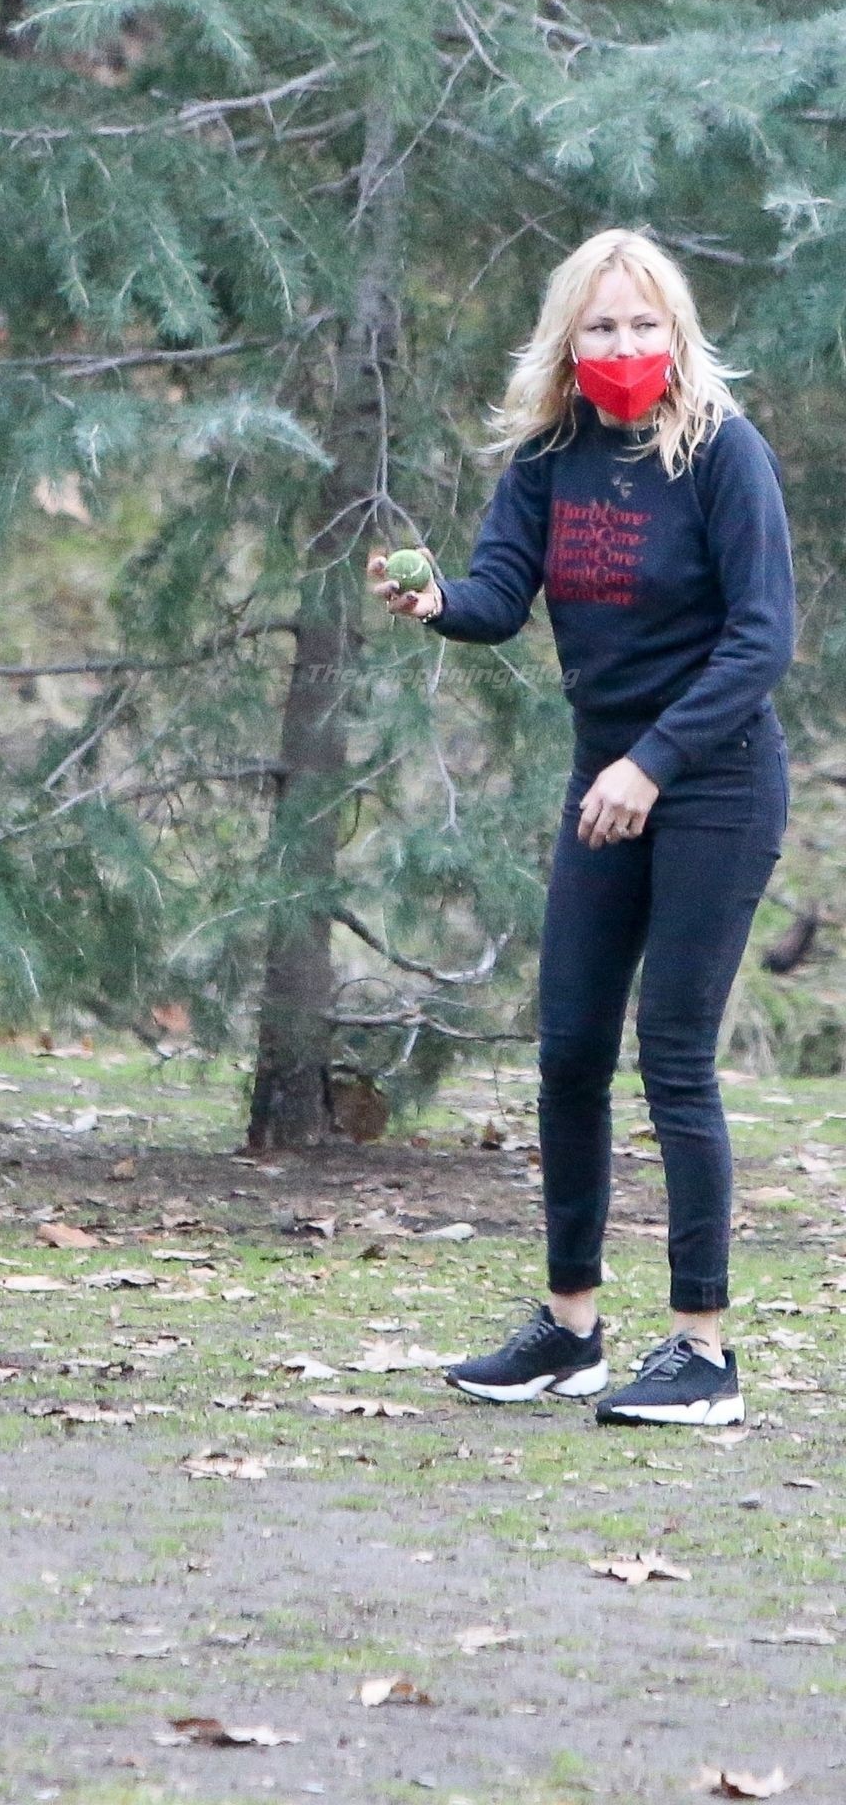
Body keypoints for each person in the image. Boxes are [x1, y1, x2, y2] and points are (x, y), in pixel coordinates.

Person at [367, 227, 794, 1427]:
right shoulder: (549, 459)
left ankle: (701, 1354)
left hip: (712, 780)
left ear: (676, 332)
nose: (622, 343)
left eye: (642, 323)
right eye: (600, 325)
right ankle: (569, 1333)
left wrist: (651, 764)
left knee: (672, 1056)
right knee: (565, 1053)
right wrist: (436, 601)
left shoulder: (722, 452)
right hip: (604, 784)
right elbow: (499, 597)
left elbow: (760, 638)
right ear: (567, 339)